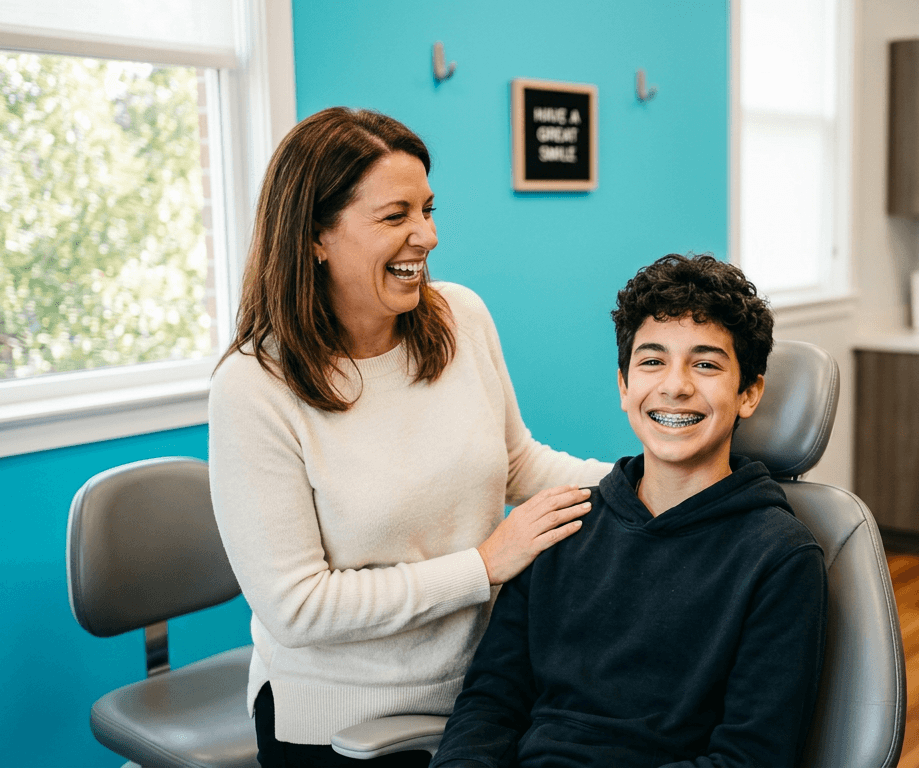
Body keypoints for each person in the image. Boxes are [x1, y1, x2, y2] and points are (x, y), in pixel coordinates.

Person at [208, 107, 610, 768]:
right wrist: (482, 566)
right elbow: (298, 607)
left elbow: (518, 462)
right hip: (342, 723)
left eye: (427, 209)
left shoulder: (460, 317)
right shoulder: (254, 388)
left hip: (484, 690)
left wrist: (663, 476)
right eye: (395, 216)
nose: (426, 235)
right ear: (315, 236)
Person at [428, 254, 829, 768]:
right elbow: (489, 705)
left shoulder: (779, 557)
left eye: (705, 364)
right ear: (623, 386)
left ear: (748, 393)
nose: (675, 385)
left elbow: (749, 758)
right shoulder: (562, 525)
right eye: (652, 361)